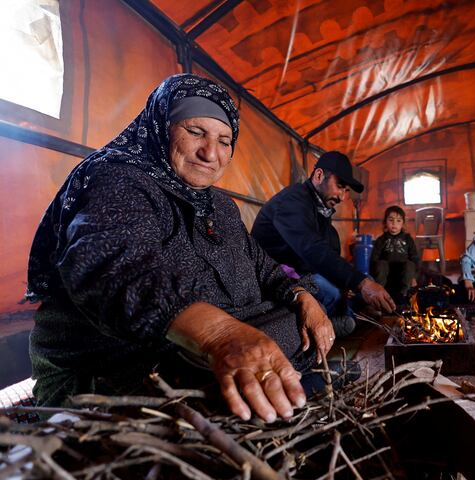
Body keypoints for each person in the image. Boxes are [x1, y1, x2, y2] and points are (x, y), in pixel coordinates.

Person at [26, 74, 338, 423]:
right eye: (195, 132)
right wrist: (221, 335)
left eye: (224, 140)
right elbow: (116, 266)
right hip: (115, 364)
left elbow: (263, 267)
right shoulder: (116, 179)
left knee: (306, 320)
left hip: (202, 342)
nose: (211, 153)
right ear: (162, 124)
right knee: (246, 357)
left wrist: (300, 296)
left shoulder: (219, 205)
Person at [251, 151, 396, 334]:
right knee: (332, 290)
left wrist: (353, 283)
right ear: (319, 175)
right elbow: (312, 250)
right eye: (340, 186)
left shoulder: (321, 209)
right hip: (275, 277)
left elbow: (328, 253)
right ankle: (331, 325)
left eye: (346, 191)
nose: (342, 197)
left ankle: (343, 318)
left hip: (304, 272)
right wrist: (359, 283)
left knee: (365, 282)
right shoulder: (292, 202)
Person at [370, 206, 420, 301]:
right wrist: (373, 279)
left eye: (398, 221)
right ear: (385, 222)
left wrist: (414, 278)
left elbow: (415, 258)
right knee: (381, 263)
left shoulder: (408, 239)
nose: (394, 224)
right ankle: (381, 294)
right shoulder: (381, 240)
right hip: (386, 274)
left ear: (403, 223)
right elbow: (374, 259)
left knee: (410, 264)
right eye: (391, 220)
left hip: (403, 274)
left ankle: (404, 295)